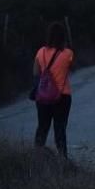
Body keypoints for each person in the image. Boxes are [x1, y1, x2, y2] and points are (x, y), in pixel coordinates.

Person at [33, 22, 74, 157]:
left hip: (43, 97)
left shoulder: (41, 52)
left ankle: (36, 157)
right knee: (60, 129)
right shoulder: (68, 53)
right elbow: (70, 67)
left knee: (42, 128)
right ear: (63, 36)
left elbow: (36, 72)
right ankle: (63, 160)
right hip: (62, 96)